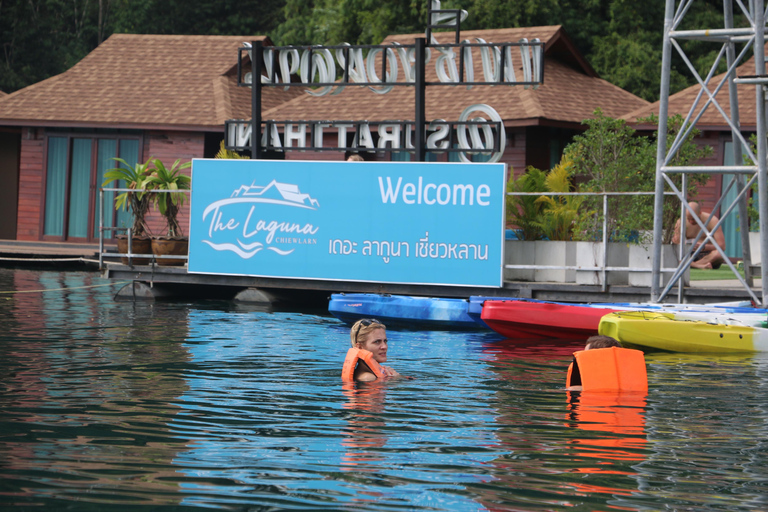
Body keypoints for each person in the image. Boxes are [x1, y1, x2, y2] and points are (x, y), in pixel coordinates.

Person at [672, 201, 726, 269]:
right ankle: (699, 266)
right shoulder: (681, 222)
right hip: (690, 253)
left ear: (700, 213)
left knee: (719, 254)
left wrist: (704, 247)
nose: (691, 221)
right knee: (673, 254)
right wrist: (685, 244)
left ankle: (692, 265)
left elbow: (722, 246)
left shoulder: (712, 221)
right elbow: (676, 243)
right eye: (688, 219)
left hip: (707, 254)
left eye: (694, 219)